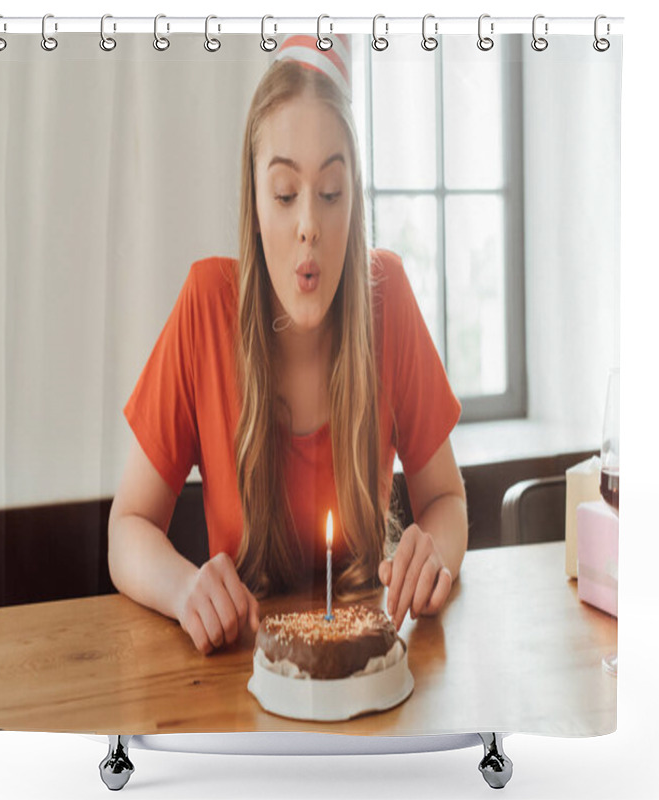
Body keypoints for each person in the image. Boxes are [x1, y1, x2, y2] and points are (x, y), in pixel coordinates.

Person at [108, 35, 468, 656]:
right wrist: (184, 588)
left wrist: (432, 550)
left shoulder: (390, 299)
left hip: (371, 669)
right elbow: (126, 529)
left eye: (331, 193)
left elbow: (447, 500)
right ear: (254, 204)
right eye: (284, 194)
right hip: (241, 680)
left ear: (354, 202)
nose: (309, 225)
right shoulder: (205, 304)